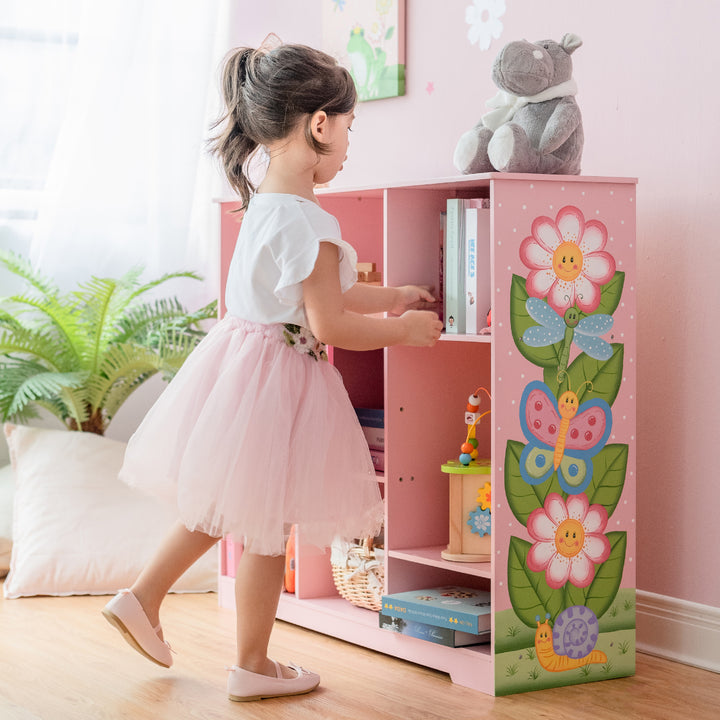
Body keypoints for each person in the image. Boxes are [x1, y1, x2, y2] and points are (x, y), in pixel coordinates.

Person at [101, 41, 443, 703]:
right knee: (263, 524)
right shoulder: (312, 223)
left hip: (243, 367)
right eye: (348, 130)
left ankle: (141, 598)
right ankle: (252, 664)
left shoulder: (265, 209)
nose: (348, 145)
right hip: (282, 379)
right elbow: (328, 325)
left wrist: (391, 293)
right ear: (320, 125)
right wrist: (403, 333)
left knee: (224, 510)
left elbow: (315, 295)